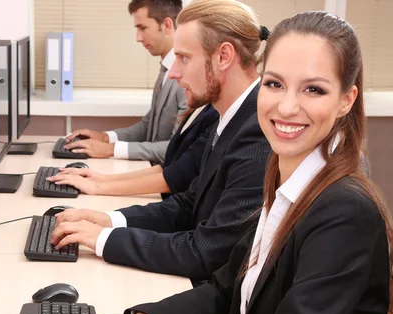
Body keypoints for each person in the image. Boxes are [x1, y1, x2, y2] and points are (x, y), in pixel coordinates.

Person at [59, 9, 393, 314]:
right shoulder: (286, 178)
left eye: (313, 89)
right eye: (274, 84)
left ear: (346, 99)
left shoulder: (344, 214)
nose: (286, 106)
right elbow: (226, 288)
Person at [51, 0, 271, 283]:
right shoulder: (229, 115)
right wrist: (110, 220)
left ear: (223, 56)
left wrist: (105, 239)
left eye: (184, 58)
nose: (174, 72)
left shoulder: (257, 131)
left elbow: (205, 253)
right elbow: (189, 204)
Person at [64, 0, 187, 162]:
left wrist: (111, 149)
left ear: (167, 25)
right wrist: (105, 137)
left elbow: (177, 148)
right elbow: (148, 126)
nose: (138, 38)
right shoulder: (165, 69)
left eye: (143, 28)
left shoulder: (185, 77)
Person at [48, 104, 218, 198]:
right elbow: (169, 167)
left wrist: (99, 186)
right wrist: (102, 179)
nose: (173, 72)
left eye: (183, 59)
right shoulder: (203, 108)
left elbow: (174, 177)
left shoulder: (214, 115)